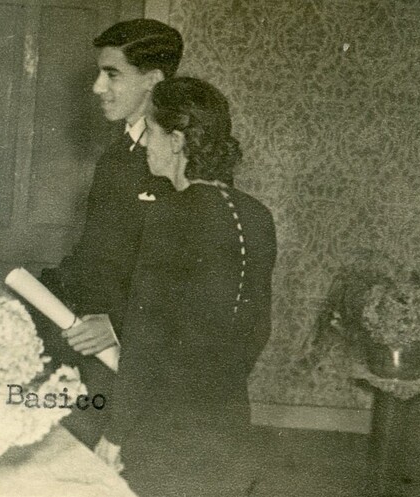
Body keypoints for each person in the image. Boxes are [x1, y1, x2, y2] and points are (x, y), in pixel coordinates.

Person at [95, 77, 277, 496]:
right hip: (231, 421)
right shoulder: (258, 215)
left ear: (177, 141)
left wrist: (115, 434)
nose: (145, 144)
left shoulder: (170, 214)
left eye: (151, 131)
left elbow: (145, 339)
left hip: (166, 428)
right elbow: (258, 329)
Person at [37, 19, 183, 447]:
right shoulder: (117, 153)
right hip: (92, 348)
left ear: (153, 80)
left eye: (112, 74)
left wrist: (118, 323)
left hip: (134, 360)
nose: (97, 87)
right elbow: (96, 254)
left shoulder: (177, 160)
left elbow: (181, 272)